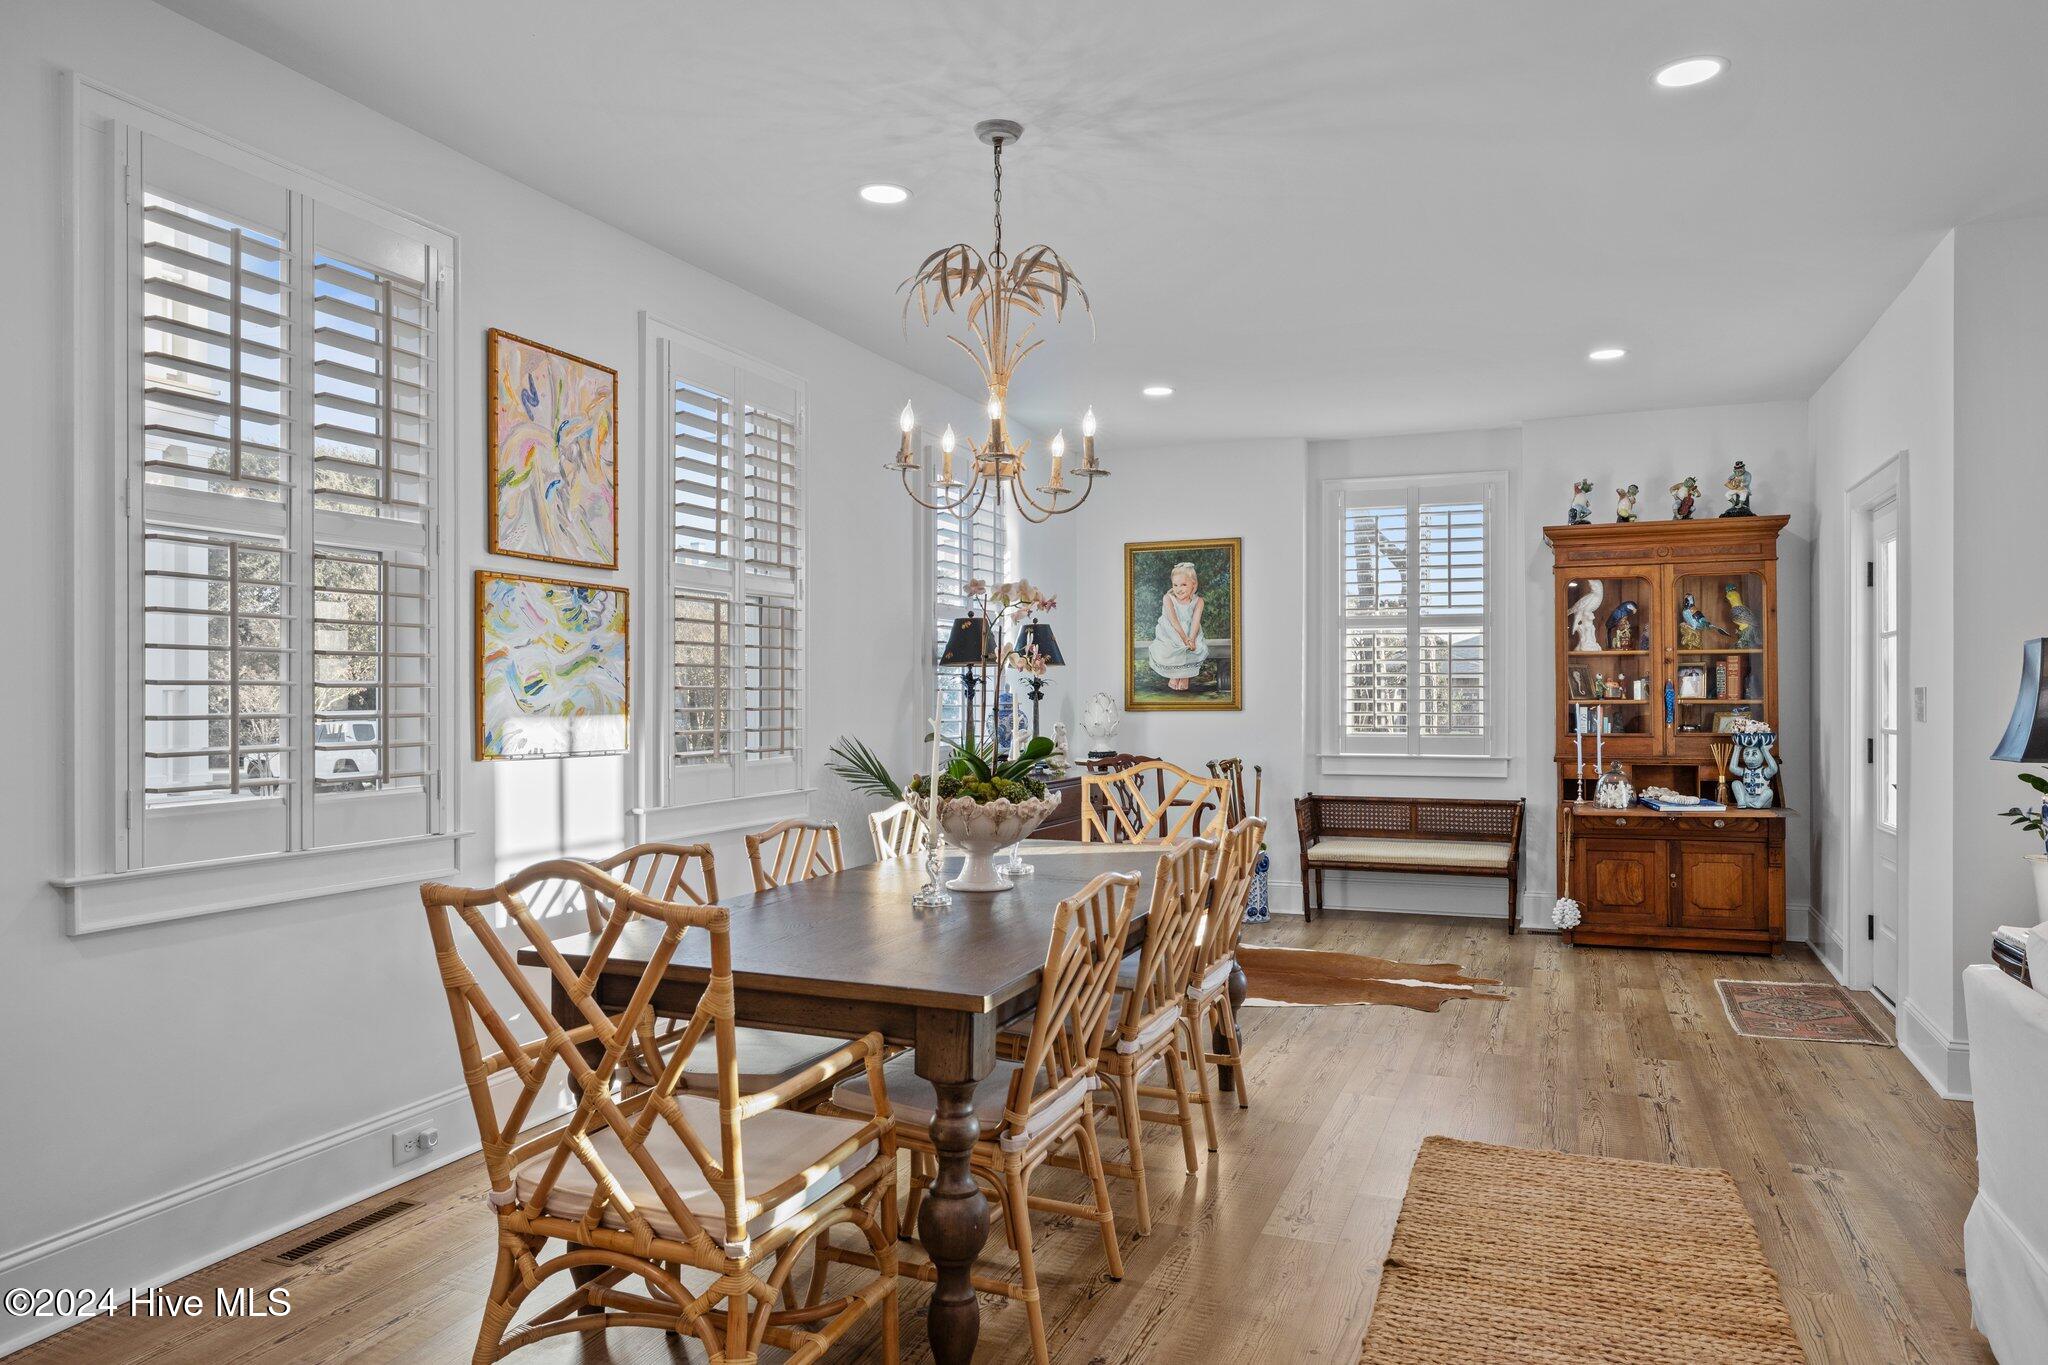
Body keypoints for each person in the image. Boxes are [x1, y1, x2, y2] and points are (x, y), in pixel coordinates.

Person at [1147, 561, 1209, 691]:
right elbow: (1174, 621)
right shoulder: (1168, 598)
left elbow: (1195, 622)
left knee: (1195, 646)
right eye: (1175, 585)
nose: (1178, 589)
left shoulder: (1199, 601)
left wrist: (1191, 639)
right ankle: (1175, 674)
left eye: (1183, 585)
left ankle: (1185, 675)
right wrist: (1185, 639)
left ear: (1193, 584)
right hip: (1171, 631)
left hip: (1191, 631)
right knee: (1173, 645)